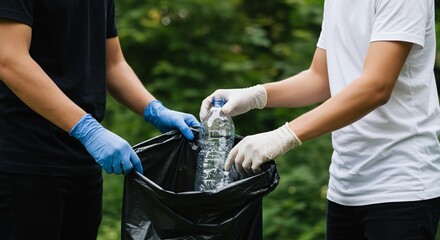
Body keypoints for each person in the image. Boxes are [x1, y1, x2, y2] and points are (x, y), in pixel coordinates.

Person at [200, 0, 440, 239]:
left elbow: (376, 86)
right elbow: (321, 78)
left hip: (401, 187)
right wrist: (255, 95)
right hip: (345, 187)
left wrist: (283, 135)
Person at [0, 1, 199, 240]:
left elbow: (113, 64)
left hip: (83, 164)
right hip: (22, 163)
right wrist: (87, 128)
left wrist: (155, 109)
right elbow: (9, 59)